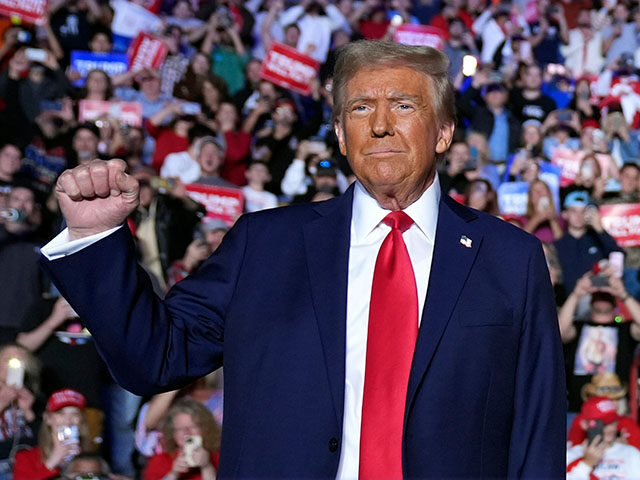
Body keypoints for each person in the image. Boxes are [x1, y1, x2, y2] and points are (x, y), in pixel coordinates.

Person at [41, 41, 565, 478]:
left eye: (404, 105)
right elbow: (152, 358)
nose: (380, 124)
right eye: (360, 108)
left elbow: (537, 431)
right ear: (339, 134)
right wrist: (95, 237)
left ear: (444, 131)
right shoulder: (264, 245)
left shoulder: (509, 259)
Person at [13, 389, 90, 480]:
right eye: (60, 413)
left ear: (81, 421)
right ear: (47, 418)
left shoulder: (91, 459)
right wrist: (52, 462)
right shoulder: (26, 459)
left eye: (75, 414)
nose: (68, 420)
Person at [143, 399, 220, 480]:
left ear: (204, 428)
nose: (187, 432)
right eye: (180, 429)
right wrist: (174, 474)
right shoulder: (160, 461)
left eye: (193, 426)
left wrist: (206, 467)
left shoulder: (218, 458)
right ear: (172, 433)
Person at [566, 396, 640, 479]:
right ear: (584, 424)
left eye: (613, 422)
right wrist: (587, 463)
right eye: (602, 424)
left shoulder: (631, 453)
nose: (610, 428)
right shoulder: (571, 455)